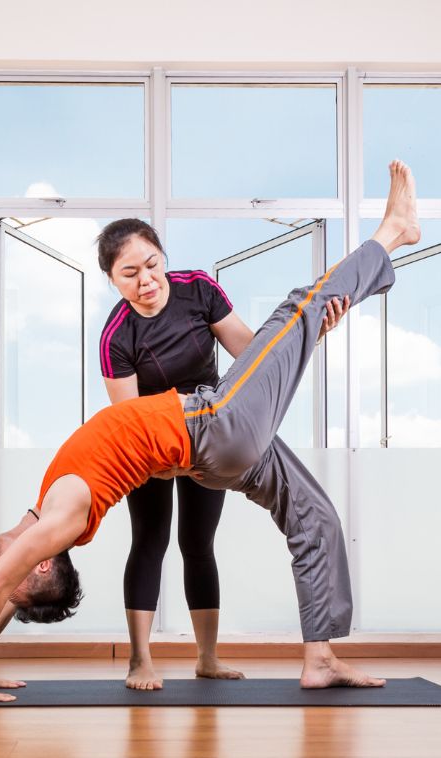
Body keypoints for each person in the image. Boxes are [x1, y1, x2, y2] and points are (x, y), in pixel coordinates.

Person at [0, 160, 420, 704]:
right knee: (298, 307)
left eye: (151, 264)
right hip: (209, 426)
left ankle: (321, 658)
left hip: (222, 438)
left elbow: (5, 592)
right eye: (129, 273)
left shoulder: (43, 514)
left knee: (316, 516)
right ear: (41, 559)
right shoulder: (62, 517)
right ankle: (393, 234)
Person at [96, 218, 349, 690]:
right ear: (112, 278)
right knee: (149, 541)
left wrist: (308, 338)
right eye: (129, 273)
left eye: (151, 264)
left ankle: (207, 657)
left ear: (163, 257)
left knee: (198, 544)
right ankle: (139, 660)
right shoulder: (116, 336)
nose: (145, 279)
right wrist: (167, 459)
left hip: (210, 433)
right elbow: (129, 420)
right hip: (153, 442)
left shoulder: (198, 290)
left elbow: (253, 356)